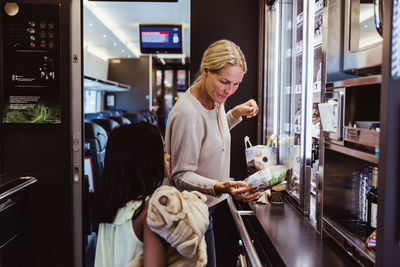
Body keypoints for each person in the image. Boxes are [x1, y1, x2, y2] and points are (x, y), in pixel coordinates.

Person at [164, 39, 260, 267]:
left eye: (236, 84)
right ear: (205, 71)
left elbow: (208, 136)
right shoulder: (188, 113)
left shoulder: (215, 99)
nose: (230, 90)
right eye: (224, 82)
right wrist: (219, 186)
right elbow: (180, 175)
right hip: (190, 216)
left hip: (209, 206)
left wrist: (234, 114)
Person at [93, 122, 170, 267]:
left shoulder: (112, 207)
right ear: (145, 160)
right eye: (163, 150)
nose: (168, 156)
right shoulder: (150, 211)